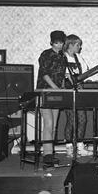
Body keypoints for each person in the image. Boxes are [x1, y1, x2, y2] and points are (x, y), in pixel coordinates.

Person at [36, 30, 67, 166]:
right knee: (48, 123)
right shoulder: (46, 54)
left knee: (53, 125)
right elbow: (44, 74)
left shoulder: (62, 57)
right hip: (45, 92)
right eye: (57, 42)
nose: (59, 45)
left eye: (61, 42)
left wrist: (63, 87)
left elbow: (61, 76)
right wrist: (55, 87)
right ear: (52, 42)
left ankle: (49, 153)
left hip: (57, 93)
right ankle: (47, 155)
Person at [63, 34, 88, 156]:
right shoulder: (62, 57)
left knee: (83, 119)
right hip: (68, 91)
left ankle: (79, 146)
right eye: (78, 45)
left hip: (79, 91)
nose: (80, 47)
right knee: (71, 120)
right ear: (71, 45)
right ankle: (69, 147)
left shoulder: (78, 58)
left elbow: (84, 73)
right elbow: (65, 75)